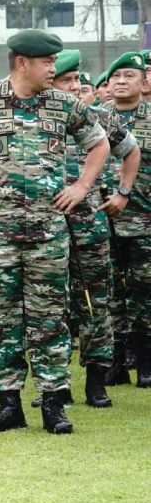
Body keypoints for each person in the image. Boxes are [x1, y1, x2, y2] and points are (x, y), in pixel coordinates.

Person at [0, 29, 109, 434]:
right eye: (47, 62)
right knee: (2, 319)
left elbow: (99, 144)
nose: (53, 69)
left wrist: (81, 186)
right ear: (21, 63)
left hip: (48, 233)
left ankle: (53, 404)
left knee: (50, 318)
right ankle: (8, 404)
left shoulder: (64, 104)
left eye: (54, 62)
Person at [51, 51, 139, 405]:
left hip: (89, 228)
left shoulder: (99, 117)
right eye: (66, 81)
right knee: (50, 310)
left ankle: (96, 381)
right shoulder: (35, 119)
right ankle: (55, 386)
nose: (75, 87)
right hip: (44, 231)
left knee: (94, 306)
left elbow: (130, 151)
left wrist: (122, 193)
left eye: (77, 80)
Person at [101, 51, 150, 388]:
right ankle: (115, 362)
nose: (121, 81)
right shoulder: (95, 118)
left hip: (145, 219)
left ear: (143, 82)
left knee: (145, 292)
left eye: (129, 75)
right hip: (104, 220)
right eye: (115, 76)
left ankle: (146, 361)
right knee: (110, 293)